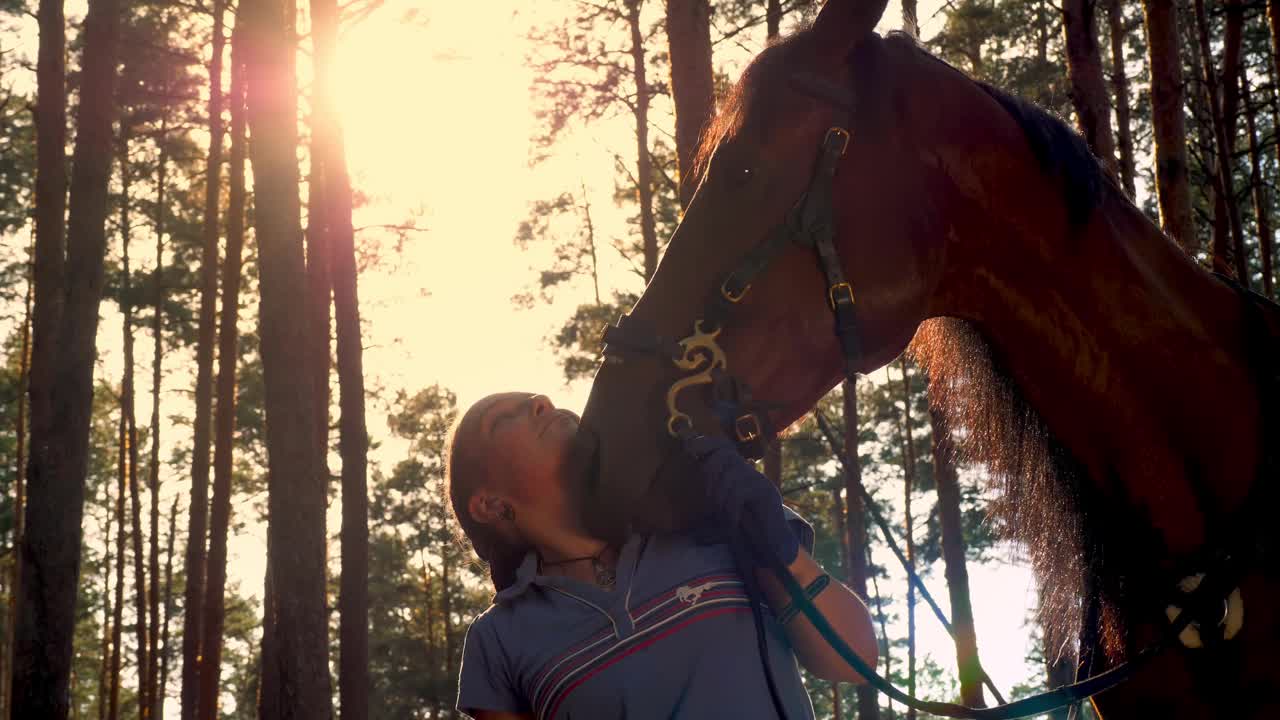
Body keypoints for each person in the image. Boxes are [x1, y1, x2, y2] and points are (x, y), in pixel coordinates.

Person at [448, 392, 879, 720]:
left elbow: (855, 662)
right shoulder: (497, 640)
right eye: (503, 418)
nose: (542, 401)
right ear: (490, 505)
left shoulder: (708, 515)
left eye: (539, 398)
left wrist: (788, 560)